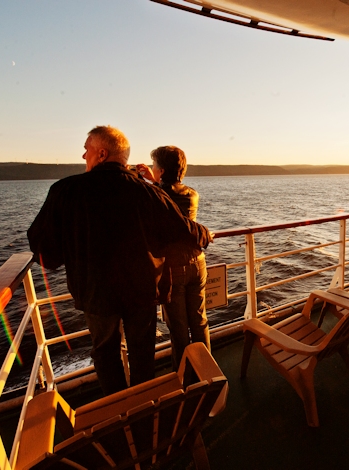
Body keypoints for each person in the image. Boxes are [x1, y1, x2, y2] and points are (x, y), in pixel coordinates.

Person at [27, 126, 212, 395]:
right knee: (141, 352)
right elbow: (183, 230)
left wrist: (66, 256)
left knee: (105, 352)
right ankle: (143, 407)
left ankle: (118, 409)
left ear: (102, 154)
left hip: (95, 292)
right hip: (141, 292)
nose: (83, 155)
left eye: (87, 148)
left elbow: (42, 246)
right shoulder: (148, 193)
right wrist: (205, 233)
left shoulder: (65, 191)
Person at [137, 146, 210, 370]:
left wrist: (149, 182)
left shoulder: (155, 196)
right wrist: (155, 180)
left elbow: (162, 202)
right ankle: (208, 371)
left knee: (179, 329)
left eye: (154, 166)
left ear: (160, 170)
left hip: (173, 268)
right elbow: (169, 199)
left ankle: (185, 378)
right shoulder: (192, 194)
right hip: (197, 262)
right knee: (199, 322)